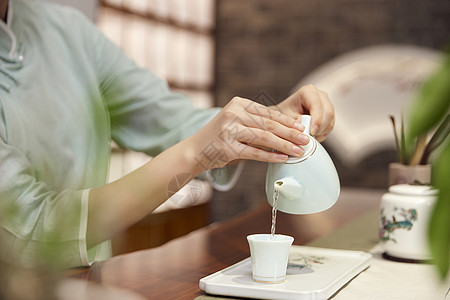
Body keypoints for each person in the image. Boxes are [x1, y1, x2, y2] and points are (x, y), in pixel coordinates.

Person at [0, 0, 335, 268]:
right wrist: (194, 154)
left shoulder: (65, 30)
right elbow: (33, 228)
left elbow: (166, 118)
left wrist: (272, 120)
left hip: (89, 278)